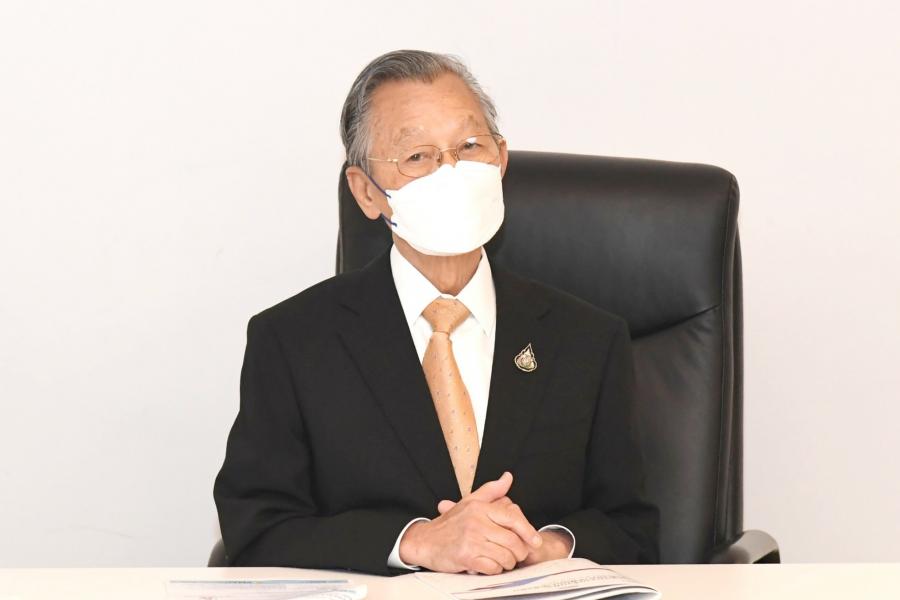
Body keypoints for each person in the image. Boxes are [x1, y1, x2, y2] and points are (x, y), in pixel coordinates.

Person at [213, 49, 659, 576]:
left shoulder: (589, 339)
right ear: (366, 192)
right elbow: (258, 529)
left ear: (501, 160)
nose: (451, 172)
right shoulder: (293, 341)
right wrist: (416, 543)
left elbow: (633, 530)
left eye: (470, 146)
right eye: (417, 156)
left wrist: (548, 547)